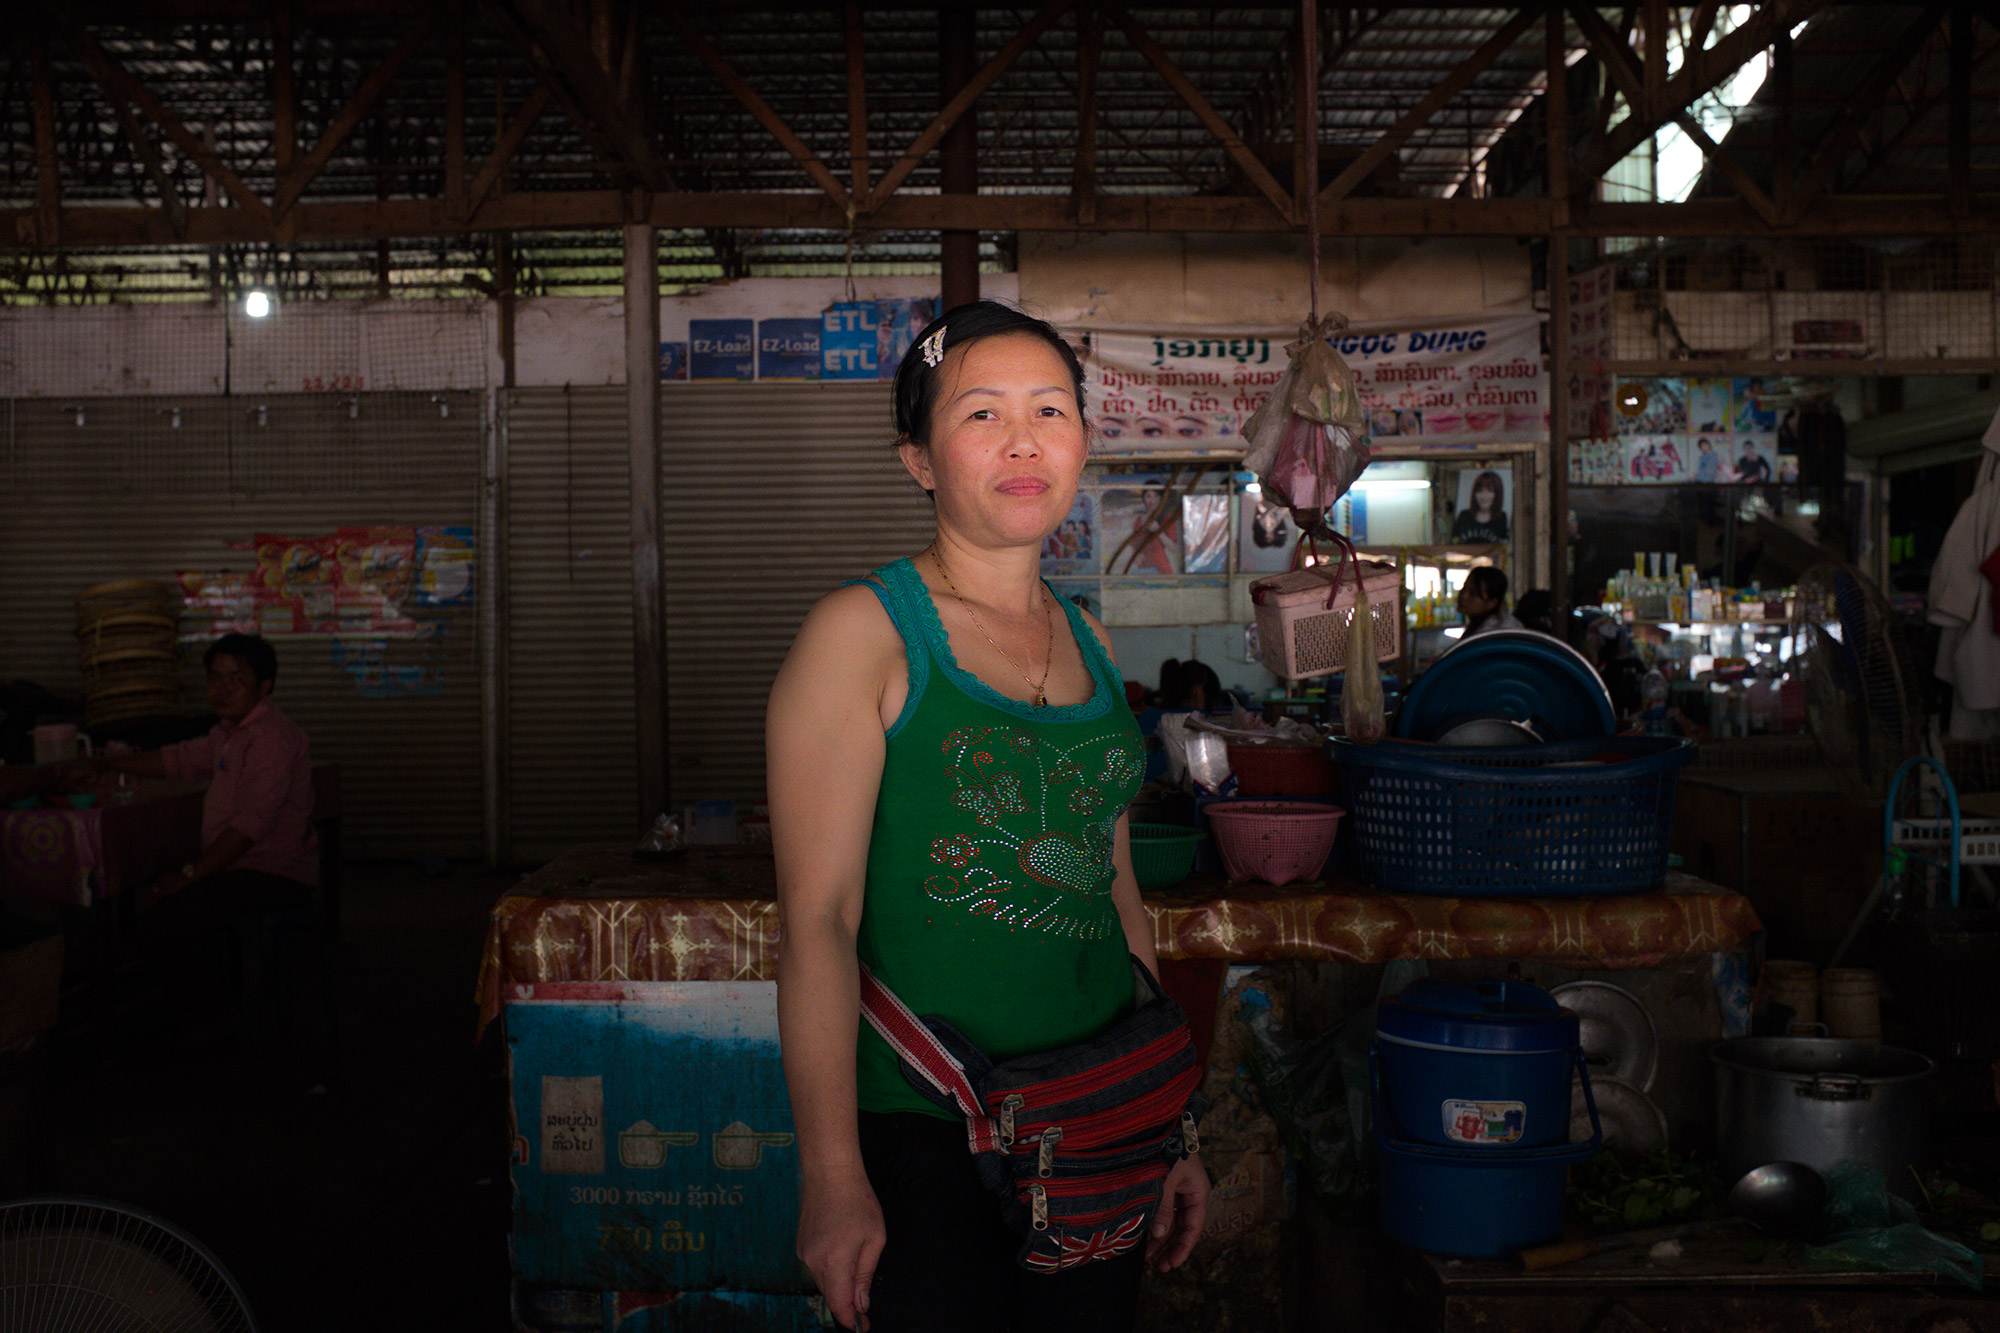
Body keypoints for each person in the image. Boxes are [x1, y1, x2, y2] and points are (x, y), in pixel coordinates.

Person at [766, 301, 1207, 1333]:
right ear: (918, 459)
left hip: (1100, 1117)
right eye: (980, 414)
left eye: (1049, 409)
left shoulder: (1089, 638)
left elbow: (1118, 901)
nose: (1022, 439)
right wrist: (832, 1175)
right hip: (931, 1134)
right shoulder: (863, 635)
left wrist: (1172, 1126)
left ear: (1082, 444)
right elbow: (816, 920)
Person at [1457, 565, 1521, 638]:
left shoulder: (1494, 633)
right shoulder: (1479, 626)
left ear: (1492, 603)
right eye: (1464, 588)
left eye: (1473, 594)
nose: (1463, 596)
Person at [1451, 470, 1509, 543]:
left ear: (1497, 494)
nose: (1484, 496)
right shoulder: (1464, 516)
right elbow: (1453, 543)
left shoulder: (1501, 518)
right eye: (1480, 491)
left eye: (1490, 491)